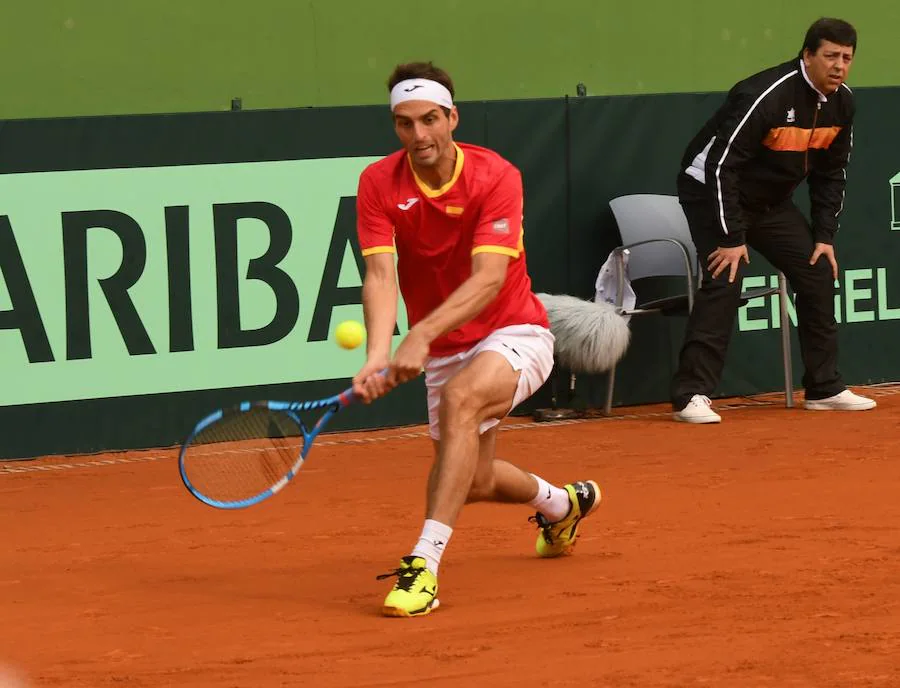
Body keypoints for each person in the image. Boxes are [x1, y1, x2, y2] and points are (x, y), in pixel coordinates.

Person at [353, 61, 602, 617]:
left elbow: (489, 276)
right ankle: (564, 505)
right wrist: (376, 355)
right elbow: (380, 274)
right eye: (405, 123)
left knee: (461, 400)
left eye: (430, 119)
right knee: (472, 479)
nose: (419, 135)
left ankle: (424, 566)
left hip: (515, 330)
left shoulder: (496, 176)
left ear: (452, 118)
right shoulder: (377, 183)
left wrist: (417, 333)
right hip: (446, 349)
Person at [671, 17, 876, 424]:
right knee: (725, 277)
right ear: (808, 55)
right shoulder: (762, 95)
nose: (839, 66)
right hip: (712, 191)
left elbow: (831, 174)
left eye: (847, 58)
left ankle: (823, 388)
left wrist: (824, 235)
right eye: (831, 56)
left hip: (770, 201)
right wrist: (730, 237)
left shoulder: (843, 103)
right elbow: (720, 166)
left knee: (817, 271)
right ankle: (691, 395)